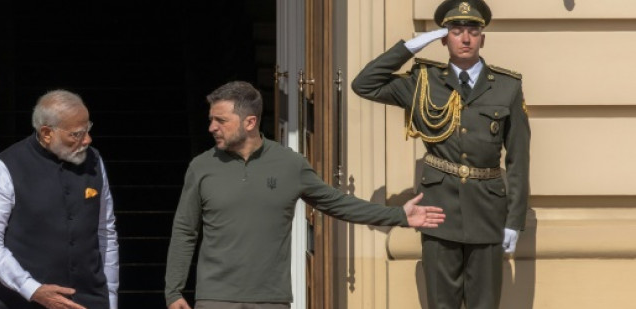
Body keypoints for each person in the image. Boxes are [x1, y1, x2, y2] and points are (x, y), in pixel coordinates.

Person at [164, 81, 445, 309]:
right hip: (215, 299)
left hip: (270, 299)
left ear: (249, 122)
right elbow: (185, 230)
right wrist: (173, 291)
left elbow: (338, 203)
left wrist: (399, 215)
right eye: (211, 119)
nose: (212, 126)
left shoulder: (290, 164)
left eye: (220, 120)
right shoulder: (201, 167)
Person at [351, 0, 530, 309]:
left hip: (488, 212)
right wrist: (411, 47)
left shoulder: (507, 87)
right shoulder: (422, 81)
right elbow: (365, 84)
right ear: (445, 38)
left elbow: (518, 159)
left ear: (482, 39)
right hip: (438, 210)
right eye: (456, 30)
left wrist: (514, 219)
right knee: (440, 304)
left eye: (473, 31)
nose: (465, 38)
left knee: (485, 304)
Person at [0, 90, 119, 309]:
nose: (87, 140)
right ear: (46, 133)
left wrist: (110, 298)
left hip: (88, 301)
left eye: (87, 130)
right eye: (76, 134)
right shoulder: (6, 167)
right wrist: (32, 289)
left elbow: (105, 233)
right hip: (21, 302)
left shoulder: (95, 162)